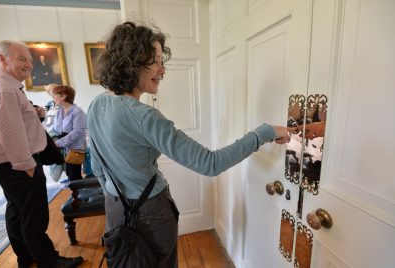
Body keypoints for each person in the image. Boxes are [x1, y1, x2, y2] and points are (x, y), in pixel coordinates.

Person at [87, 21, 291, 268]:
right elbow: (210, 163)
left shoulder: (97, 105)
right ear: (132, 62)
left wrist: (117, 195)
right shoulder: (145, 117)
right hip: (151, 213)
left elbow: (97, 167)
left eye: (163, 62)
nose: (163, 70)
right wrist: (264, 132)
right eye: (156, 61)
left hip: (115, 208)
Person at [0, 40, 83, 267]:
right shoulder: (5, 89)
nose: (29, 65)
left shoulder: (7, 85)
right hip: (18, 164)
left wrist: (34, 115)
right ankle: (48, 261)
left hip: (7, 163)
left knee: (17, 210)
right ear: (2, 59)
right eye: (21, 58)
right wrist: (27, 165)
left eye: (30, 60)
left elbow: (13, 122)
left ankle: (27, 256)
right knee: (34, 215)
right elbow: (9, 133)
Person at [52, 85, 86, 182]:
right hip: (63, 147)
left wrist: (58, 143)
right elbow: (56, 129)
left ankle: (80, 195)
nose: (53, 99)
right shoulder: (59, 111)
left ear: (63, 96)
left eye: (55, 96)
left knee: (74, 176)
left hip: (75, 148)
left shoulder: (78, 111)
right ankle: (76, 194)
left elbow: (78, 132)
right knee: (68, 174)